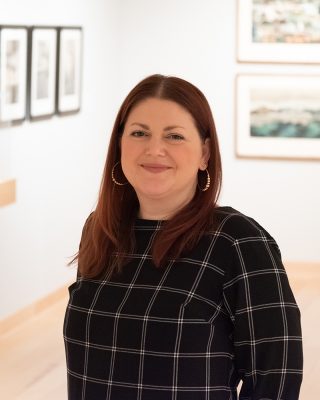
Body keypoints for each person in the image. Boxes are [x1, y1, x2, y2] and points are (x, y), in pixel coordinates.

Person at [63, 74, 303, 399]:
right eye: (139, 133)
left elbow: (276, 378)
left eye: (174, 136)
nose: (154, 149)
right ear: (119, 145)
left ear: (205, 153)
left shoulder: (237, 241)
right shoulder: (100, 229)